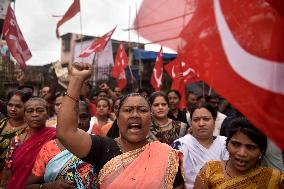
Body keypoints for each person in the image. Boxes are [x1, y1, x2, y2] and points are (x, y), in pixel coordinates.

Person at [56, 62, 184, 189]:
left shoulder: (167, 156)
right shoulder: (103, 148)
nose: (135, 115)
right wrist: (77, 79)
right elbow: (66, 133)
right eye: (128, 110)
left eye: (143, 110)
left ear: (150, 119)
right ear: (117, 119)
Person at [194, 117, 284, 188]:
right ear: (227, 144)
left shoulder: (274, 178)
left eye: (251, 147)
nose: (242, 153)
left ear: (261, 152)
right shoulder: (210, 171)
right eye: (236, 144)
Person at [26, 100, 98, 189]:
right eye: (73, 117)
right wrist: (51, 186)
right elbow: (29, 186)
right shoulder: (49, 149)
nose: (79, 121)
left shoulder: (99, 144)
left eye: (84, 117)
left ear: (90, 119)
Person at [3, 97, 56, 189]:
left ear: (47, 113)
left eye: (39, 110)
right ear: (24, 115)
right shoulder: (16, 141)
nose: (34, 114)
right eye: (30, 111)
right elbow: (8, 171)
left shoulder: (55, 136)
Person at [172, 102, 228, 189]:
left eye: (206, 119)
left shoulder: (225, 143)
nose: (201, 124)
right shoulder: (180, 145)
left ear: (214, 120)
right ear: (191, 122)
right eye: (196, 120)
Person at [0, 90, 32, 175]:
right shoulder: (1, 123)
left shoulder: (30, 130)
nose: (13, 109)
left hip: (12, 176)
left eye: (18, 106)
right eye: (10, 105)